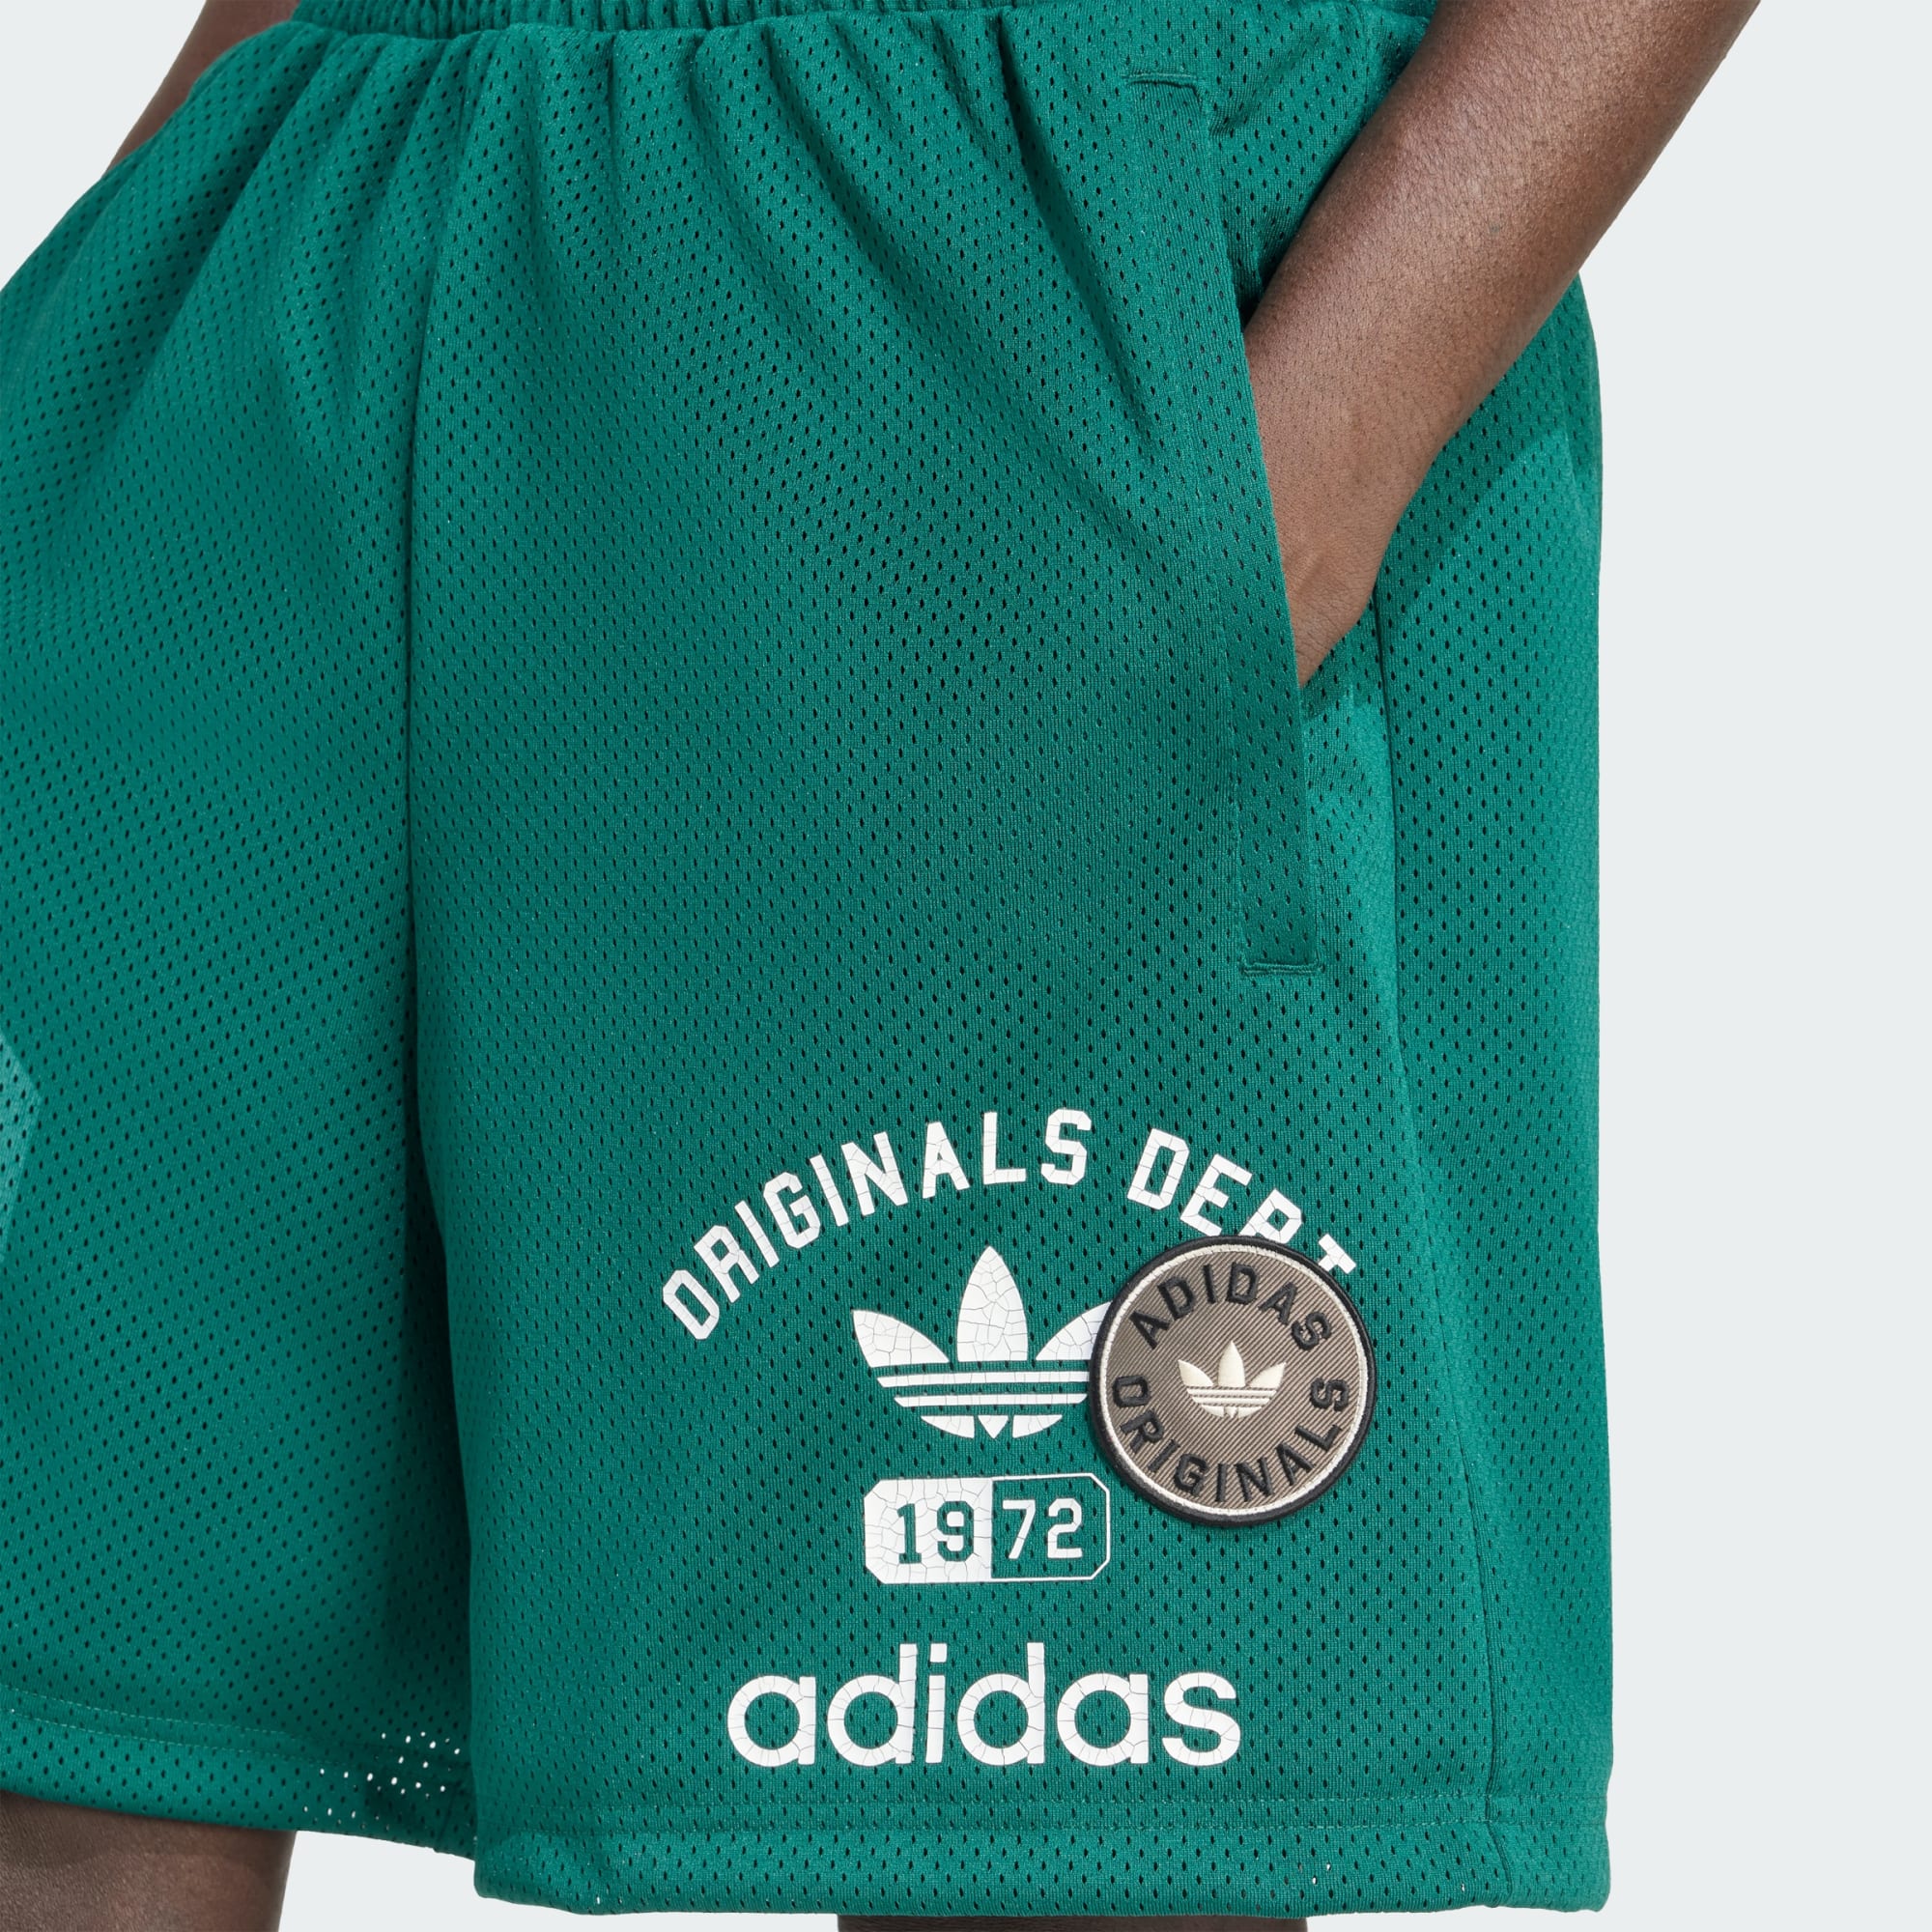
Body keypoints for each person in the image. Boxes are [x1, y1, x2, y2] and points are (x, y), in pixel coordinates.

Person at [0, 0, 1755, 1924]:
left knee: (1029, 1789)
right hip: (295, 236)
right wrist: (131, 260)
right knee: (84, 1715)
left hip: (991, 235)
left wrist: (1298, 465)